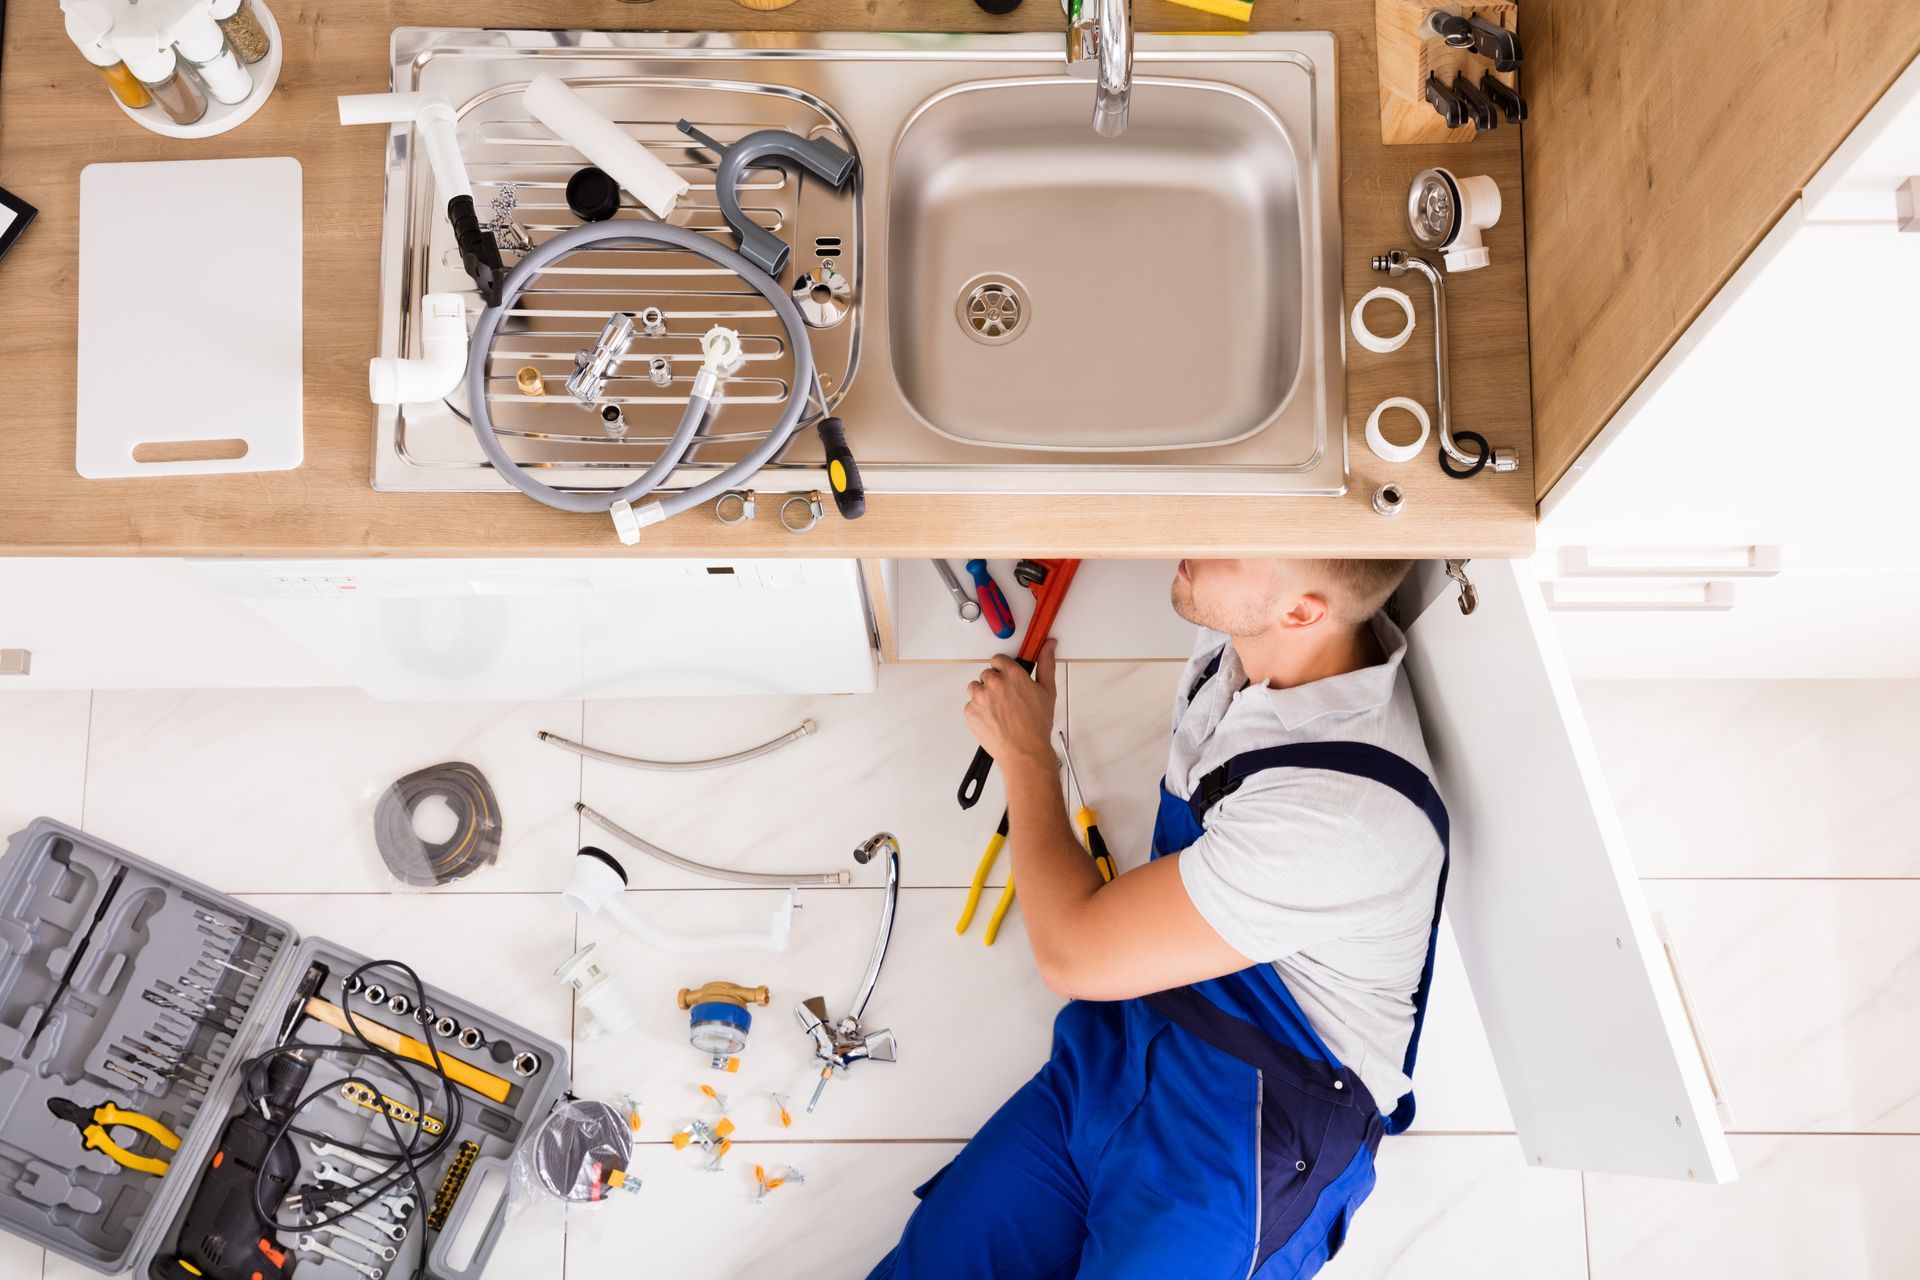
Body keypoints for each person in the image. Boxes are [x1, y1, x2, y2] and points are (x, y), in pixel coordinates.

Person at [868, 559, 1449, 1280]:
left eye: (1229, 545)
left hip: (1247, 1138)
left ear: (1301, 612)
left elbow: (1074, 954)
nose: (1194, 542)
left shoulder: (1340, 814)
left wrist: (1025, 756)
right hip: (1123, 1049)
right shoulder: (1249, 644)